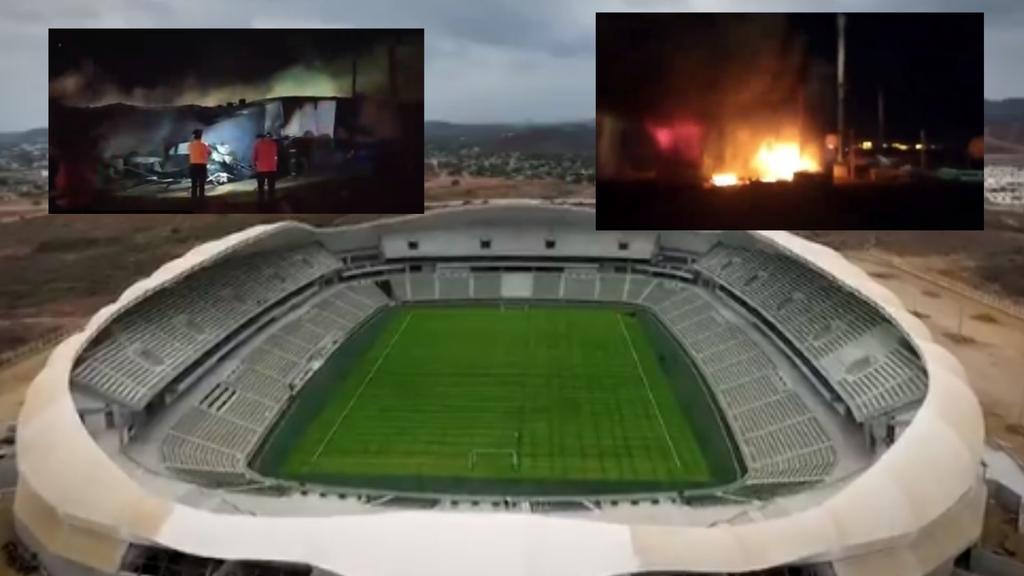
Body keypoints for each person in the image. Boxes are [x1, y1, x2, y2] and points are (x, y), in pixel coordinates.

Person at [253, 132, 278, 205]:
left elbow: (254, 156)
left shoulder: (258, 144)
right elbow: (275, 156)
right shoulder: (274, 144)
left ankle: (261, 203)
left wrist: (254, 166)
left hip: (261, 169)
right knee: (271, 188)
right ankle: (271, 203)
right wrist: (275, 166)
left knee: (261, 188)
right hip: (272, 169)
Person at [188, 129, 211, 201]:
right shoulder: (204, 145)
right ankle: (201, 197)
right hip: (202, 166)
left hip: (193, 166)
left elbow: (190, 152)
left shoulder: (190, 145)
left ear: (193, 136)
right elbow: (210, 152)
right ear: (201, 136)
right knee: (202, 183)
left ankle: (193, 197)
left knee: (194, 183)